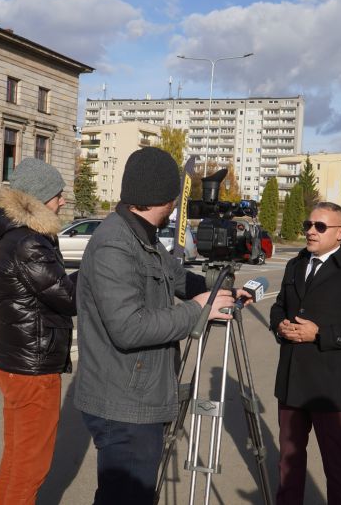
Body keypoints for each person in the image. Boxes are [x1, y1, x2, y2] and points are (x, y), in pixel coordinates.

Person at [73, 146, 246, 504]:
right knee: (126, 498)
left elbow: (177, 278)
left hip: (138, 396)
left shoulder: (142, 235)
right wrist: (199, 310)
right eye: (174, 197)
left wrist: (221, 289)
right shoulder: (115, 244)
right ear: (164, 198)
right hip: (123, 404)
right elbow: (129, 328)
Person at [270, 201, 341, 505]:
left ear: (340, 233)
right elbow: (279, 306)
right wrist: (279, 324)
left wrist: (319, 334)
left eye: (320, 226)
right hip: (292, 382)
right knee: (288, 461)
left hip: (329, 388)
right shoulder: (296, 264)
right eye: (308, 225)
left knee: (337, 464)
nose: (311, 231)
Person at [0, 158, 77, 504]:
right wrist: (96, 273)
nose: (63, 201)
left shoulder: (15, 237)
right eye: (58, 195)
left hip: (15, 360)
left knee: (16, 459)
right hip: (33, 367)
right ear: (38, 199)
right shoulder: (30, 243)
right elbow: (68, 298)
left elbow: (52, 287)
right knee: (30, 466)